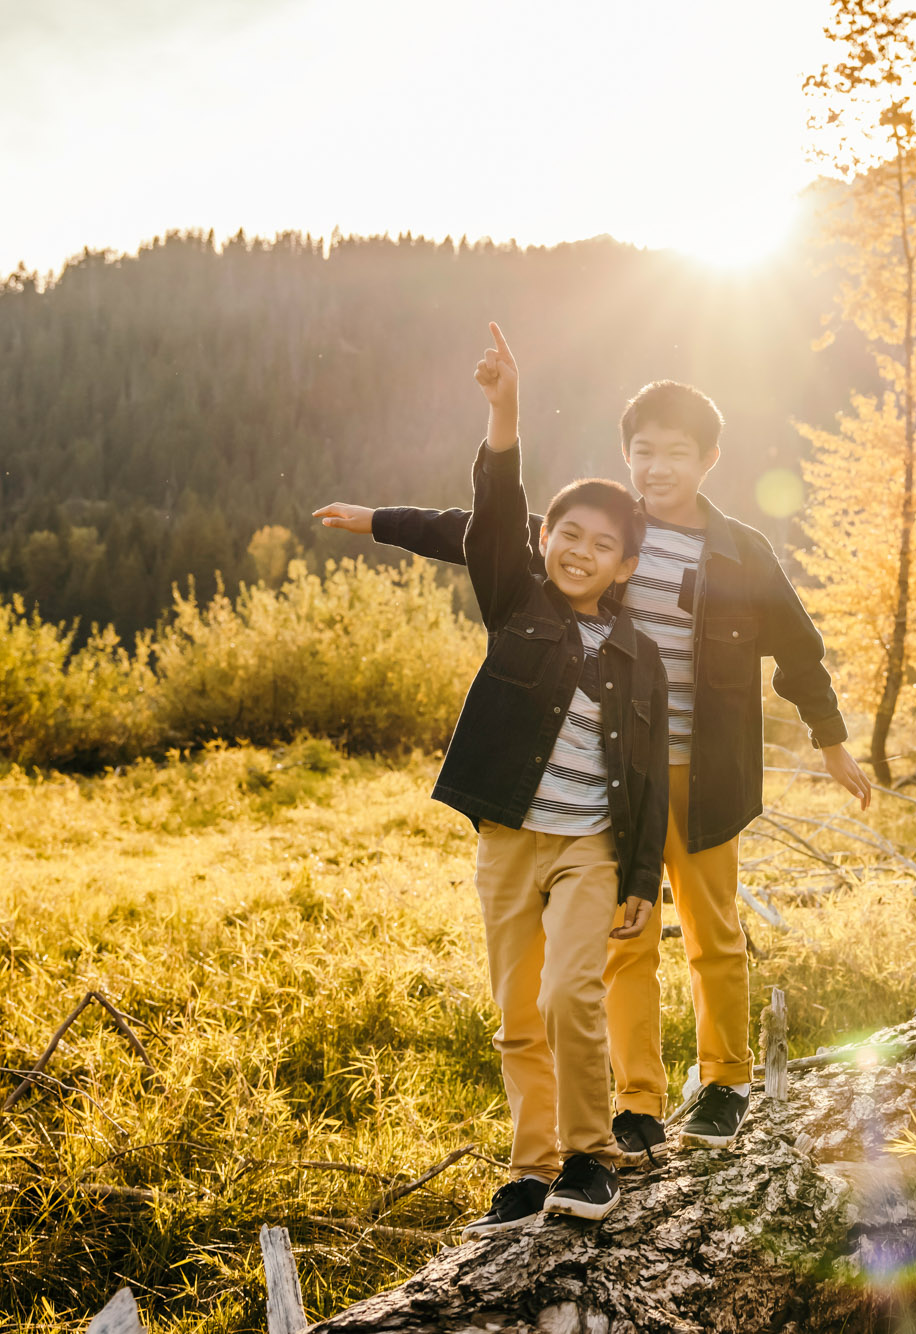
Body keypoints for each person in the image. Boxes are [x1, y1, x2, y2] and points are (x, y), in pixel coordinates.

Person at [318, 347, 869, 1163]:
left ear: (709, 460)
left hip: (707, 772)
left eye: (676, 452)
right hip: (624, 777)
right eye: (643, 450)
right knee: (625, 941)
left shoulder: (742, 551)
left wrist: (831, 744)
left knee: (714, 933)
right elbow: (483, 533)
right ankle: (638, 1102)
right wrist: (378, 521)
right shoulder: (613, 529)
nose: (657, 466)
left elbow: (800, 648)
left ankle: (724, 1082)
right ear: (628, 455)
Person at [316, 323, 670, 1236]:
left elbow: (647, 777)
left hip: (592, 845)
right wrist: (505, 408)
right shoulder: (517, 601)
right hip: (509, 839)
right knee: (518, 1010)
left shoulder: (641, 660)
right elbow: (493, 496)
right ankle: (530, 1169)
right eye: (568, 534)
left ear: (627, 566)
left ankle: (590, 1157)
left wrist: (641, 879)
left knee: (570, 997)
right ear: (543, 539)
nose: (581, 551)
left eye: (603, 545)